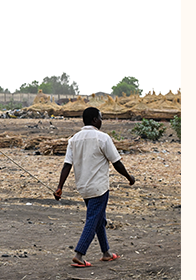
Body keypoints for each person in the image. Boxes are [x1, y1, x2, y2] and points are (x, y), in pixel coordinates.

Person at [54, 107, 136, 268]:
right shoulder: (103, 138)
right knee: (93, 219)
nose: (101, 121)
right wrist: (129, 177)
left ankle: (106, 253)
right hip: (99, 188)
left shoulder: (74, 139)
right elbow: (116, 162)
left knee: (99, 219)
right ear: (93, 120)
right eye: (100, 117)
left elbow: (67, 165)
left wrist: (60, 187)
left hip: (83, 187)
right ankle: (79, 254)